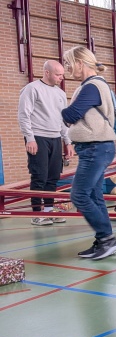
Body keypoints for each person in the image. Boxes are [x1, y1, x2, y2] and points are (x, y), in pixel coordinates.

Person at [60, 46, 116, 260]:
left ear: (80, 63)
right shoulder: (93, 85)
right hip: (96, 147)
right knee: (94, 195)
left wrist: (62, 110)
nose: (67, 68)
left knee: (78, 195)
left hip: (95, 148)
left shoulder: (92, 86)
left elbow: (72, 114)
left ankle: (107, 239)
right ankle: (102, 241)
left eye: (69, 63)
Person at [17, 60, 74, 226]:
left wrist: (67, 142)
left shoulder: (61, 94)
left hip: (55, 138)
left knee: (53, 178)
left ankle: (48, 212)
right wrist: (30, 138)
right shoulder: (32, 88)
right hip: (38, 137)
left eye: (62, 74)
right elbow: (23, 115)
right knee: (39, 177)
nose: (61, 77)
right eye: (58, 74)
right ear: (47, 72)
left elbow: (63, 119)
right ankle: (37, 214)